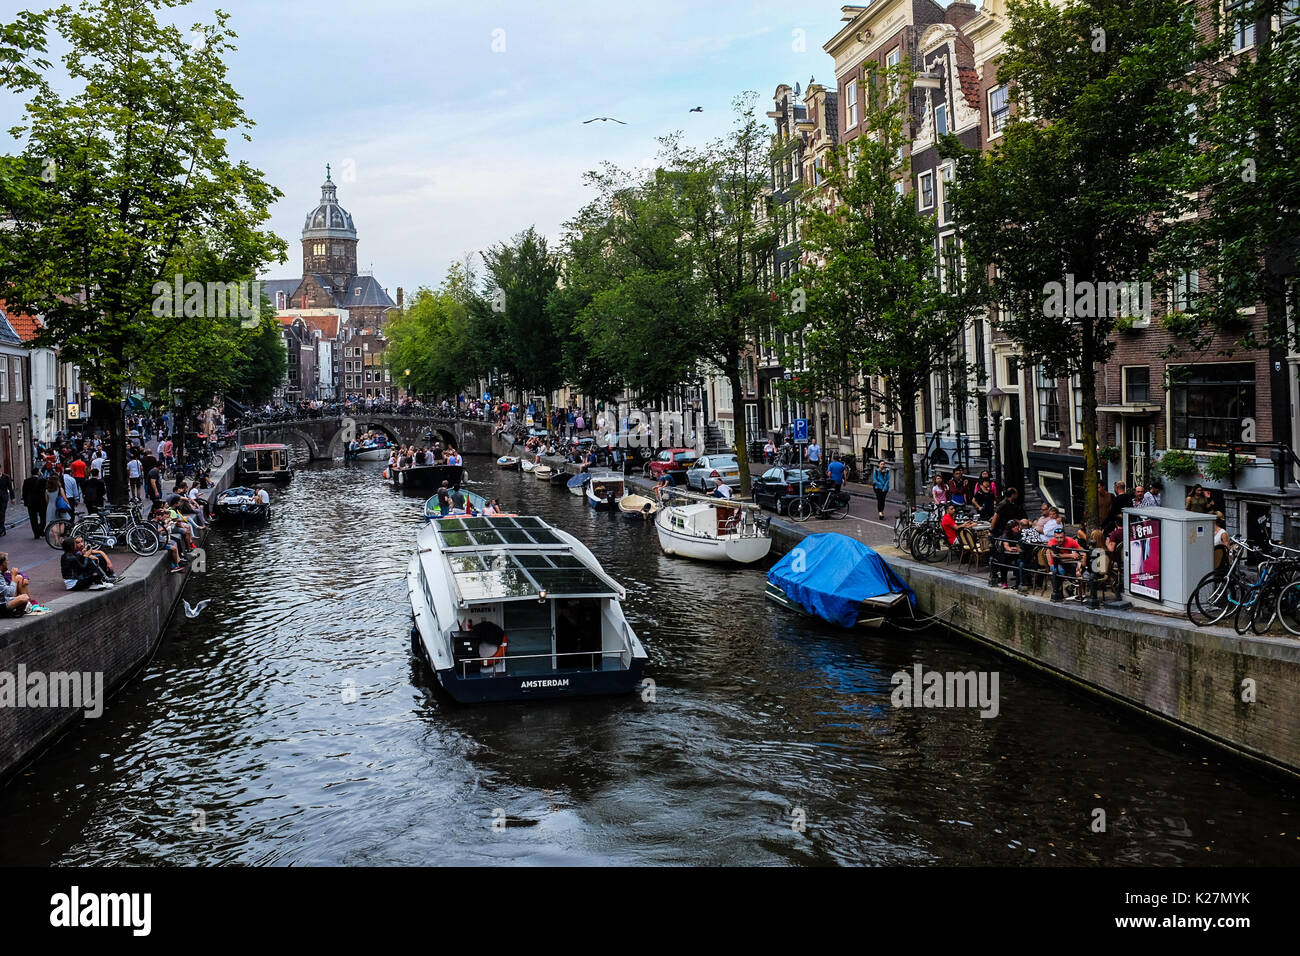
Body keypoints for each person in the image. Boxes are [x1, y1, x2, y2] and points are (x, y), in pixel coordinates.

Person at [22, 470, 46, 540]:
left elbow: (24, 493)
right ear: (38, 473)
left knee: (33, 519)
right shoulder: (43, 480)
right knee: (43, 517)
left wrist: (26, 502)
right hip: (41, 502)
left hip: (31, 503)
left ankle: (36, 534)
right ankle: (41, 529)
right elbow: (45, 492)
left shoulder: (26, 481)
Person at [0, 467, 12, 536]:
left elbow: (10, 487)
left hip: (3, 498)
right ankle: (2, 529)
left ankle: (1, 529)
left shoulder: (6, 477)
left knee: (2, 513)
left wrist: (12, 497)